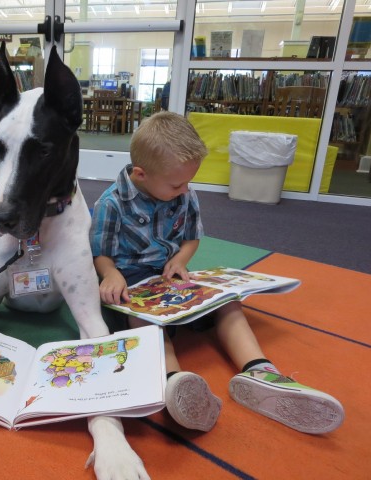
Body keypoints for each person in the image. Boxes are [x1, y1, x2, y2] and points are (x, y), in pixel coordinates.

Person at [89, 111, 344, 435]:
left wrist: (181, 259)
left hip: (169, 276)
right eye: (177, 184)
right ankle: (173, 381)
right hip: (129, 281)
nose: (185, 189)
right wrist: (110, 274)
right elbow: (101, 253)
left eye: (188, 181)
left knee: (227, 302)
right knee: (145, 320)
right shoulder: (111, 203)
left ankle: (259, 371)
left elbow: (192, 238)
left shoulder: (183, 192)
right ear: (141, 174)